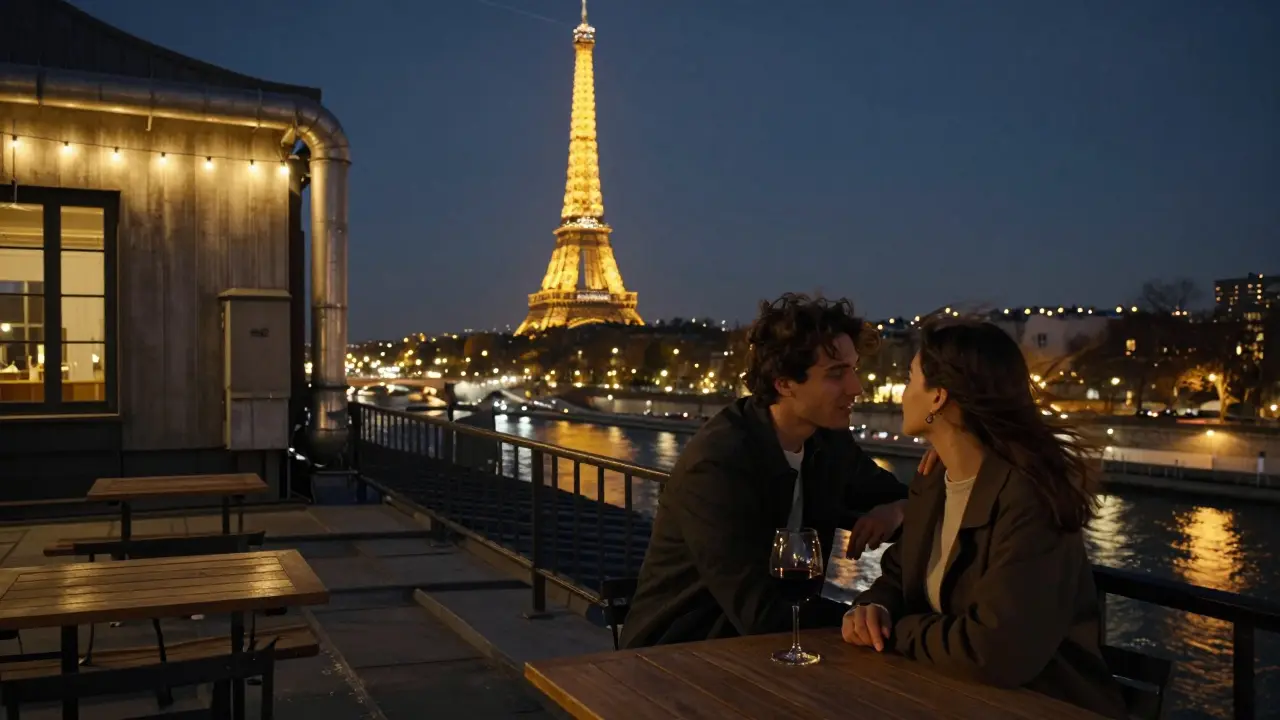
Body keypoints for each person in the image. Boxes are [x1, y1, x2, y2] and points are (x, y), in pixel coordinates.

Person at [842, 318, 1128, 719]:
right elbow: (897, 576)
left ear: (938, 397)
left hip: (1045, 704)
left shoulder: (1029, 499)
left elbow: (995, 651)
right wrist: (876, 609)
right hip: (957, 695)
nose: (902, 394)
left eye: (910, 379)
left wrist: (898, 629)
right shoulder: (935, 481)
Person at [620, 294, 932, 648]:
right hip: (682, 653)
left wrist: (899, 509)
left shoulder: (827, 445)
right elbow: (762, 612)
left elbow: (913, 502)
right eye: (836, 374)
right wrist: (875, 619)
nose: (856, 388)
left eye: (854, 369)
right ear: (784, 383)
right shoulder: (717, 465)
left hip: (770, 648)